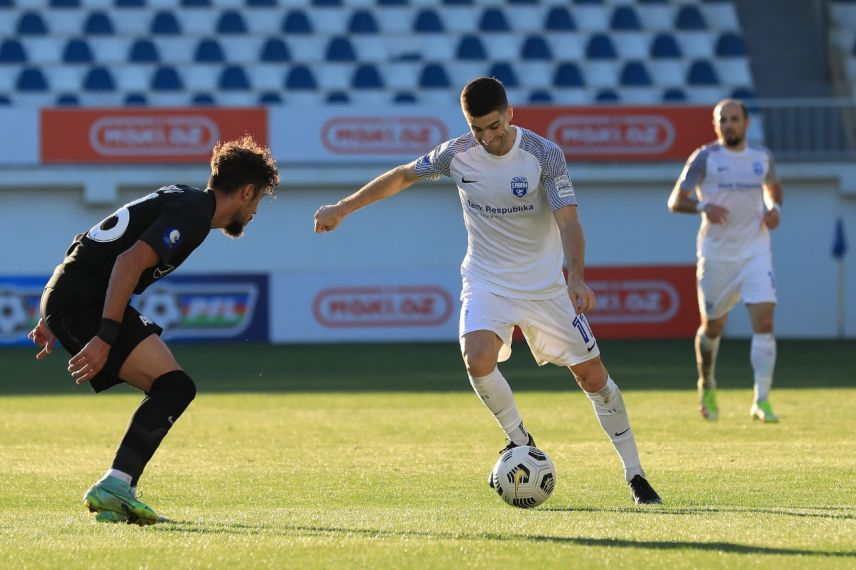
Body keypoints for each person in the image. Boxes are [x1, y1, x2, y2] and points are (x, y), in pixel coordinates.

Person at [314, 77, 661, 505]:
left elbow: (569, 222)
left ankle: (635, 475)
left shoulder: (544, 155)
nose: (487, 137)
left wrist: (576, 276)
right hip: (487, 280)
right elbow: (403, 176)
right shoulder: (456, 154)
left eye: (494, 126)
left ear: (509, 114)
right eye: (477, 128)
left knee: (593, 378)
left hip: (545, 286)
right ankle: (519, 441)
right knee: (476, 359)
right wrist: (343, 207)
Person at [28, 135, 280, 524]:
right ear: (247, 191)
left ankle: (117, 494)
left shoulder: (184, 198)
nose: (253, 213)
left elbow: (89, 239)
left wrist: (53, 309)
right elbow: (127, 262)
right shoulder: (194, 212)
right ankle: (116, 485)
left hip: (73, 294)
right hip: (83, 301)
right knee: (174, 387)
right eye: (259, 200)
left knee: (172, 387)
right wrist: (103, 335)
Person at [668, 99, 783, 423]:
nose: (729, 124)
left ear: (746, 123)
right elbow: (676, 201)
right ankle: (707, 383)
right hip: (717, 256)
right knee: (713, 326)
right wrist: (704, 208)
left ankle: (761, 401)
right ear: (716, 125)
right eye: (724, 120)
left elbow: (774, 188)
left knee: (765, 324)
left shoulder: (762, 158)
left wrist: (775, 209)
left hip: (756, 253)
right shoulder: (705, 158)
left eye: (735, 119)